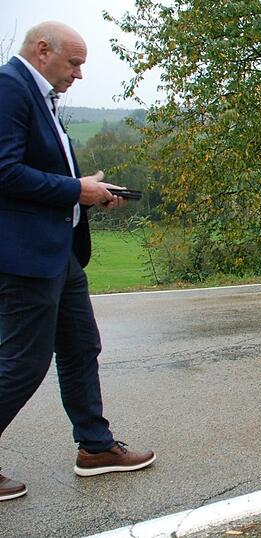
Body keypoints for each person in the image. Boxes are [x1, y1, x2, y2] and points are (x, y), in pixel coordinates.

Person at [0, 21, 156, 501]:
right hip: (25, 256)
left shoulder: (38, 96)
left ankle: (95, 447)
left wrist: (87, 192)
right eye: (74, 62)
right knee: (23, 363)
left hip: (60, 251)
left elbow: (41, 171)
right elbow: (4, 172)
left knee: (80, 348)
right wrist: (75, 189)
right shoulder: (9, 89)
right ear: (42, 50)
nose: (81, 74)